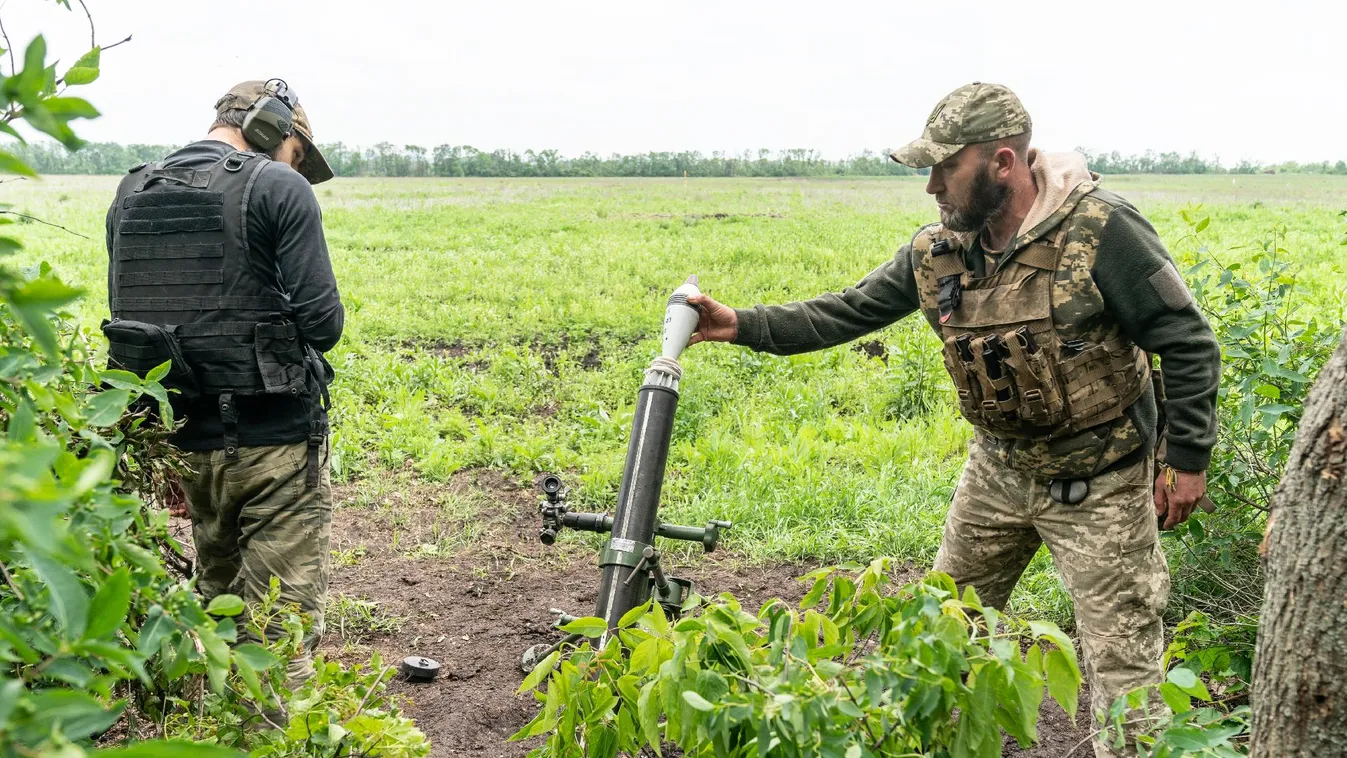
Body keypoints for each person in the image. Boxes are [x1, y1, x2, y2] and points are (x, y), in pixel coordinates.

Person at [687, 82, 1220, 756]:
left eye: (945, 167)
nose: (930, 185)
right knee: (940, 634)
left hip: (1100, 482)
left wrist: (1186, 460)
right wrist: (740, 324)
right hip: (996, 475)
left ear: (1002, 162)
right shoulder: (938, 250)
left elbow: (1185, 340)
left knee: (1124, 672)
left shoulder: (1102, 231)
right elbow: (847, 310)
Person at [102, 79, 343, 684]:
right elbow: (324, 324)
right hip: (276, 447)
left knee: (216, 613)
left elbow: (134, 327)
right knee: (277, 635)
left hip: (183, 444)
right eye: (295, 155)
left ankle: (213, 735)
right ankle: (274, 744)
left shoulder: (133, 189)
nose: (291, 167)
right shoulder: (277, 185)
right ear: (274, 129)